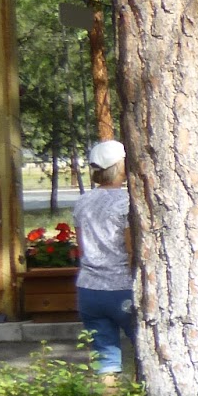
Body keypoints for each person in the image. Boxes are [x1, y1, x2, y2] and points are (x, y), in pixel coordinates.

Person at [72, 139, 136, 380]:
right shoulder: (127, 202)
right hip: (122, 288)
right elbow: (132, 251)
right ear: (120, 166)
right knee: (145, 351)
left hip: (89, 289)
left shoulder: (82, 202)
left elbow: (82, 247)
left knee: (105, 360)